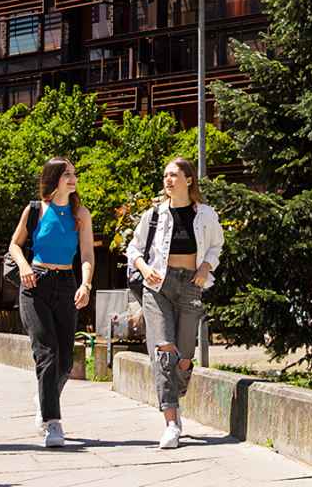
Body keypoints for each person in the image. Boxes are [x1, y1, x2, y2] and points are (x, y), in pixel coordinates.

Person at [128, 157, 223, 450]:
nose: (168, 180)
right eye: (165, 175)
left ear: (189, 179)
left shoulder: (206, 214)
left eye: (174, 175)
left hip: (191, 286)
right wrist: (144, 269)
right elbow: (133, 247)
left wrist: (206, 267)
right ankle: (171, 421)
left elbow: (217, 245)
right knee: (163, 350)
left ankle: (179, 380)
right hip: (157, 286)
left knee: (183, 356)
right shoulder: (154, 215)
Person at [7, 158, 95, 448]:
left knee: (66, 360)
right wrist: (23, 266)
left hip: (67, 283)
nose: (73, 179)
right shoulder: (34, 210)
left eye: (74, 174)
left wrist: (85, 284)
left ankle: (45, 397)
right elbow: (15, 245)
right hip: (36, 284)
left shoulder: (80, 213)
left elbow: (86, 255)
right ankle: (51, 423)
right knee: (47, 353)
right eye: (66, 174)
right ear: (53, 178)